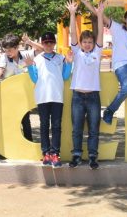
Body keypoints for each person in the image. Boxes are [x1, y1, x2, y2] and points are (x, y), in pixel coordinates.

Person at [65, 0, 104, 169]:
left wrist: (100, 15)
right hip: (78, 97)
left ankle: (93, 156)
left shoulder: (97, 51)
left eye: (90, 42)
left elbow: (101, 33)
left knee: (94, 129)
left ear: (93, 43)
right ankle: (76, 155)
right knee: (77, 129)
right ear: (80, 43)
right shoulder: (77, 53)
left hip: (93, 96)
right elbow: (73, 33)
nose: (87, 44)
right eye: (85, 41)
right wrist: (72, 14)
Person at [25, 31, 73, 167]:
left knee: (57, 126)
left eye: (51, 42)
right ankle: (46, 153)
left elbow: (65, 76)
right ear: (42, 44)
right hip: (42, 97)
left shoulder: (60, 58)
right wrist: (29, 66)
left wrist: (69, 63)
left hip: (57, 97)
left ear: (54, 44)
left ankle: (55, 154)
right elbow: (35, 78)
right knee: (44, 125)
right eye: (46, 43)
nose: (48, 45)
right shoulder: (37, 59)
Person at [0, 33, 42, 143]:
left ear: (17, 48)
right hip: (9, 95)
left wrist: (29, 42)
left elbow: (42, 50)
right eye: (6, 50)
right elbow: (0, 71)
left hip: (23, 95)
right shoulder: (4, 58)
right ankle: (8, 146)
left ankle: (28, 143)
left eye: (10, 50)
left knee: (25, 120)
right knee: (10, 120)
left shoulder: (26, 55)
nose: (7, 53)